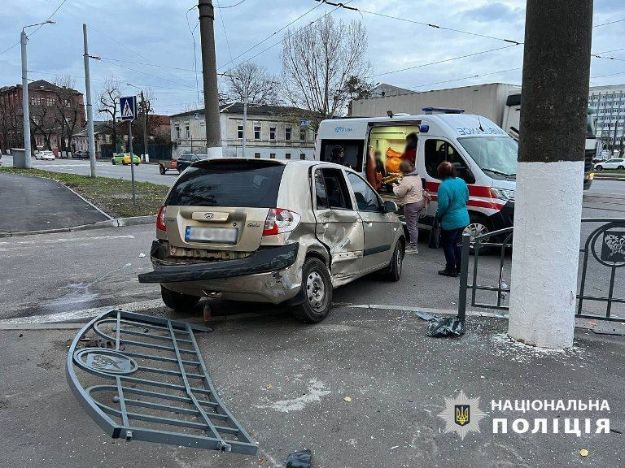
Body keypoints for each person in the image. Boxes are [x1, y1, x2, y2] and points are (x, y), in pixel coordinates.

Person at [435, 161, 469, 277]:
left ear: (440, 173)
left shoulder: (443, 186)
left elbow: (443, 205)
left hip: (450, 220)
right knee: (457, 244)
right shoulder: (461, 181)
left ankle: (450, 268)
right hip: (463, 218)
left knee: (448, 244)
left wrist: (438, 216)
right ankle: (460, 268)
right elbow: (466, 198)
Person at [393, 160, 426, 253]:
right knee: (415, 225)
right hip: (419, 202)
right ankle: (414, 244)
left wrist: (394, 186)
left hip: (411, 204)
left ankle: (413, 247)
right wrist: (401, 182)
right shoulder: (416, 175)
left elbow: (399, 193)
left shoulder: (407, 179)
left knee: (411, 227)